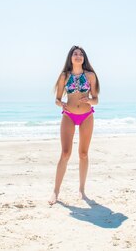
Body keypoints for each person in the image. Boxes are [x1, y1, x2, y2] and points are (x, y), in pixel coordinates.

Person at [49, 46, 100, 205]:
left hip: (87, 116)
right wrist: (61, 104)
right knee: (65, 153)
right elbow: (57, 99)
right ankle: (55, 191)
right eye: (75, 54)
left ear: (84, 58)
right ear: (70, 57)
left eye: (81, 54)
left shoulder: (90, 75)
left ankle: (82, 190)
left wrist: (89, 101)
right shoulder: (64, 76)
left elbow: (96, 99)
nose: (78, 56)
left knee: (83, 153)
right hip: (69, 116)